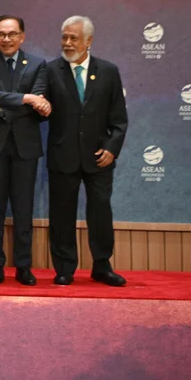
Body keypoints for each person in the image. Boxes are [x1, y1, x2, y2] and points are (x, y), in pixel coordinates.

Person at [44, 15, 128, 286]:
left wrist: (112, 149)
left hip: (99, 158)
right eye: (64, 37)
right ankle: (65, 268)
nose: (67, 43)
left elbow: (119, 119)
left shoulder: (108, 71)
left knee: (101, 213)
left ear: (88, 41)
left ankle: (102, 266)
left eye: (74, 38)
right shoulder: (49, 70)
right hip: (63, 156)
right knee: (61, 215)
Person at [0, 15, 50, 286]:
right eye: (1, 34)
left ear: (22, 36)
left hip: (26, 146)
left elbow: (36, 105)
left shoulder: (39, 65)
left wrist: (1, 112)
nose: (6, 39)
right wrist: (26, 99)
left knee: (23, 209)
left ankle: (23, 267)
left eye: (12, 33)